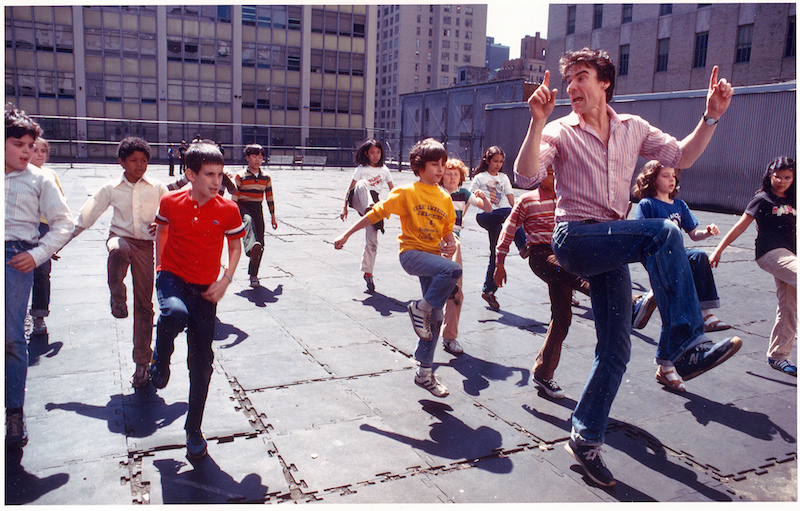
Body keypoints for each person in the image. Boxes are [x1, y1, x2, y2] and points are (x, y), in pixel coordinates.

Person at [514, 48, 739, 487]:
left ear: (604, 83)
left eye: (582, 77)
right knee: (664, 233)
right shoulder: (560, 131)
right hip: (575, 239)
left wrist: (711, 116)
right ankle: (685, 345)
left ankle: (585, 436)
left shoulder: (633, 128)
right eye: (569, 79)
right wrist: (537, 120)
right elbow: (524, 175)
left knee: (616, 350)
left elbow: (682, 156)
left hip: (612, 245)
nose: (573, 87)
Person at [335, 138, 459, 398]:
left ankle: (424, 373)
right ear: (419, 166)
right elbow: (375, 213)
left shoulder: (445, 199)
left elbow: (448, 237)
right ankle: (419, 307)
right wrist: (347, 234)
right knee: (452, 272)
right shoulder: (406, 193)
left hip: (433, 260)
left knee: (436, 318)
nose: (440, 170)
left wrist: (449, 247)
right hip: (412, 255)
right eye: (434, 164)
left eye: (443, 165)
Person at [149, 142, 244, 459]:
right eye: (208, 175)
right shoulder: (170, 201)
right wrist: (160, 268)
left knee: (202, 365)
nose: (216, 181)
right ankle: (160, 359)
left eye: (219, 175)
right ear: (190, 174)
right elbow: (161, 233)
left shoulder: (228, 209)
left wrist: (225, 279)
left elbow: (234, 249)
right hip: (173, 276)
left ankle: (193, 429)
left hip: (206, 287)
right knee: (174, 314)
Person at [67, 136, 169, 388]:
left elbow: (173, 212)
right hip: (120, 238)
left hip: (146, 246)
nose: (140, 165)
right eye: (134, 160)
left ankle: (142, 364)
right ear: (122, 162)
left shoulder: (157, 187)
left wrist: (163, 223)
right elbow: (84, 217)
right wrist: (54, 246)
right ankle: (117, 295)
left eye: (144, 160)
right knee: (118, 250)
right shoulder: (111, 188)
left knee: (145, 305)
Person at [5, 103, 74, 449]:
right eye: (19, 145)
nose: (28, 152)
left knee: (11, 338)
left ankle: (14, 414)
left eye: (31, 146)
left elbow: (64, 224)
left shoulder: (41, 179)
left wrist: (35, 255)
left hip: (15, 257)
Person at [494, 165, 591, 399]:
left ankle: (543, 373)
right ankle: (629, 304)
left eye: (558, 172)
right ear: (539, 176)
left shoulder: (568, 200)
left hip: (565, 254)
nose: (555, 176)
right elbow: (509, 228)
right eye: (550, 173)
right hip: (541, 255)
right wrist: (499, 262)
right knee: (583, 279)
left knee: (563, 316)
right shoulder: (528, 200)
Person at [710, 157, 797, 377]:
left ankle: (778, 356)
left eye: (787, 177)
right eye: (777, 176)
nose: (781, 181)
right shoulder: (762, 199)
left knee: (788, 307)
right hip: (770, 253)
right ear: (769, 175)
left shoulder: (794, 198)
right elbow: (739, 227)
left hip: (791, 255)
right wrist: (719, 249)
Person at [632, 159, 731, 336]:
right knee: (674, 289)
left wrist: (707, 232)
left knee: (699, 256)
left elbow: (693, 235)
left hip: (678, 253)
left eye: (674, 176)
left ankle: (705, 313)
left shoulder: (680, 205)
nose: (672, 180)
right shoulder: (647, 205)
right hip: (658, 254)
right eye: (666, 176)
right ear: (652, 179)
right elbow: (640, 233)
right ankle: (651, 302)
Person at [439, 158, 492, 355]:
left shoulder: (463, 194)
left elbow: (487, 209)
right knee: (434, 291)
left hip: (453, 237)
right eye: (448, 174)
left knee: (457, 294)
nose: (452, 178)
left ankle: (449, 336)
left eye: (456, 175)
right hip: (435, 237)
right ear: (442, 176)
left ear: (461, 178)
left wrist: (484, 198)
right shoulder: (436, 192)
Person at [340, 139, 394, 292]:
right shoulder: (361, 169)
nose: (375, 156)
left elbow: (393, 190)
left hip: (375, 202)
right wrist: (344, 207)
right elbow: (349, 189)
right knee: (363, 183)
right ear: (366, 153)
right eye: (372, 152)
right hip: (358, 198)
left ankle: (368, 273)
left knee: (372, 242)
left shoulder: (385, 170)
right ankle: (370, 208)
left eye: (378, 152)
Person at [470, 146, 515, 310]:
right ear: (487, 160)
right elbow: (468, 197)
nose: (498, 164)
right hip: (485, 215)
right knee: (510, 213)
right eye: (495, 161)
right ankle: (524, 245)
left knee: (495, 253)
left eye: (501, 162)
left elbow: (511, 199)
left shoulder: (504, 177)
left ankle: (488, 291)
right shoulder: (480, 177)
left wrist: (522, 216)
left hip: (498, 218)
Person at [29, 137, 66, 336]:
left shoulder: (50, 174)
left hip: (43, 226)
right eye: (36, 150)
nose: (40, 154)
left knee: (41, 271)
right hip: (21, 226)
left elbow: (60, 202)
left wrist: (56, 237)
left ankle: (39, 315)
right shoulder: (17, 173)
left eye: (43, 151)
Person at [232, 144, 277, 288]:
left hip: (258, 208)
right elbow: (234, 198)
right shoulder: (240, 176)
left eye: (260, 156)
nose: (257, 159)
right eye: (254, 156)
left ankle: (253, 274)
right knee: (248, 222)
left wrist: (273, 216)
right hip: (243, 206)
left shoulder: (266, 178)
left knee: (261, 242)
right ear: (247, 158)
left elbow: (269, 197)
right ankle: (250, 249)